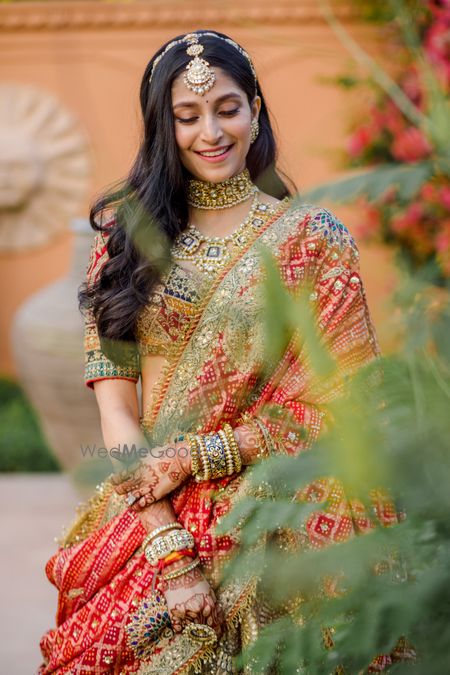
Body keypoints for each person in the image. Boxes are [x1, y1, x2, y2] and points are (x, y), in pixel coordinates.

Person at [38, 30, 410, 674]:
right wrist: (170, 547)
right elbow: (118, 414)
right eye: (187, 117)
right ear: (164, 127)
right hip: (156, 511)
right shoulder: (129, 241)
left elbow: (349, 402)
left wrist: (205, 453)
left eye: (227, 108)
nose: (211, 131)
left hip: (289, 505)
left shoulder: (312, 240)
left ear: (256, 110)